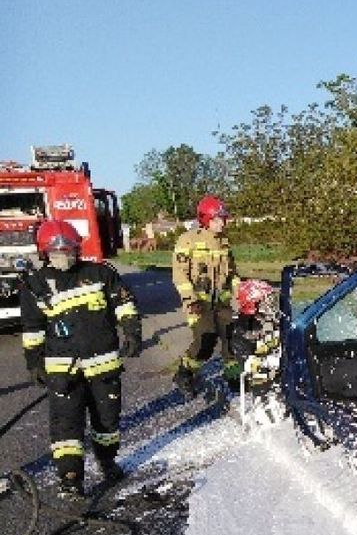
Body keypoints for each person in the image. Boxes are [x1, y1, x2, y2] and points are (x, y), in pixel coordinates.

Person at [20, 219, 143, 501]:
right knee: (66, 426)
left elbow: (124, 304)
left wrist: (132, 332)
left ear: (78, 247)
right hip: (64, 372)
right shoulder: (35, 286)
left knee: (107, 422)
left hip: (104, 367)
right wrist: (34, 363)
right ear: (44, 252)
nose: (63, 254)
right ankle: (70, 478)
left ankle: (107, 461)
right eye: (56, 250)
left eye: (68, 249)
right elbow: (32, 330)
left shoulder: (100, 273)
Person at [172, 195, 240, 397]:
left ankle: (234, 377)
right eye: (218, 219)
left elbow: (233, 274)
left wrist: (240, 292)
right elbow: (179, 274)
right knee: (205, 342)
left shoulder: (224, 243)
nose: (223, 222)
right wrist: (190, 299)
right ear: (206, 219)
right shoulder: (188, 240)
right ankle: (184, 373)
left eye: (223, 218)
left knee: (231, 341)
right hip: (199, 304)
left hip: (223, 303)